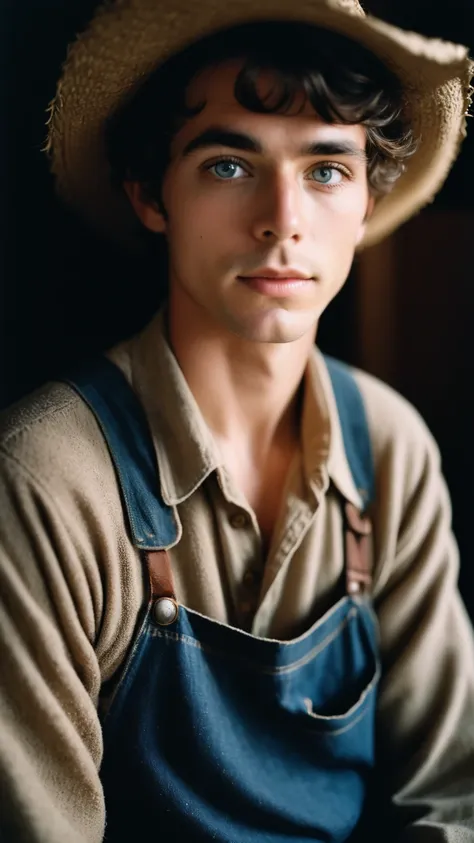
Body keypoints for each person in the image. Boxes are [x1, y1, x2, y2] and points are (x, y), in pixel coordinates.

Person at [1, 0, 474, 841]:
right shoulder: (46, 480)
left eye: (327, 170)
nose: (282, 218)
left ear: (367, 200)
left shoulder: (391, 449)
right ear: (151, 193)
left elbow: (451, 793)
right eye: (229, 164)